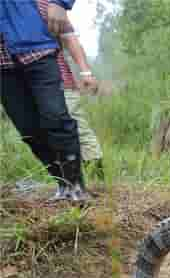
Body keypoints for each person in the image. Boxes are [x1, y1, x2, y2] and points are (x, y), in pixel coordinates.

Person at [0, 0, 89, 201]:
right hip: (3, 66)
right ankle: (62, 183)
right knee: (28, 130)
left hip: (35, 49)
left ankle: (75, 185)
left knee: (56, 118)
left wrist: (60, 2)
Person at [57, 16, 105, 180]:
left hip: (61, 82)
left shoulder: (49, 5)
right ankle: (66, 180)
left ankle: (97, 180)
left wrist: (86, 73)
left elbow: (70, 38)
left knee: (79, 128)